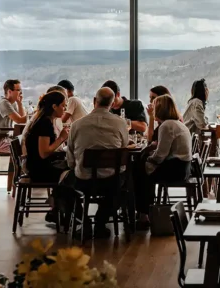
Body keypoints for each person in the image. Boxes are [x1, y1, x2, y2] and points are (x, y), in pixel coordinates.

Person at [64, 87, 129, 238]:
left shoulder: (77, 125)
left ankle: (84, 222)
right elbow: (124, 148)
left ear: (94, 101)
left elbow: (70, 159)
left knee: (64, 185)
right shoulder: (120, 124)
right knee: (123, 183)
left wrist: (76, 167)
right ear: (112, 104)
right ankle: (101, 221)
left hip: (84, 182)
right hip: (112, 181)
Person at [135, 94, 191, 227]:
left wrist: (149, 158)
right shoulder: (178, 124)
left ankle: (143, 214)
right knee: (142, 170)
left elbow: (161, 155)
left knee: (139, 172)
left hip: (174, 169)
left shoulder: (166, 125)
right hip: (184, 168)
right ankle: (144, 211)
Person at [21, 91, 69, 183]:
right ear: (54, 107)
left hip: (36, 166)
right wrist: (61, 138)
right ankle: (58, 197)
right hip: (40, 170)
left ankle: (58, 196)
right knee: (73, 173)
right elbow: (44, 153)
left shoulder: (43, 120)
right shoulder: (44, 123)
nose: (65, 109)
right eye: (63, 106)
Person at [0, 79, 28, 154]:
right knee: (22, 148)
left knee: (26, 144)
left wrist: (19, 104)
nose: (21, 93)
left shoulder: (11, 103)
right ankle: (18, 166)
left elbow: (21, 118)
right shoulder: (4, 103)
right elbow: (20, 120)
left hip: (3, 139)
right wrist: (36, 114)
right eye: (18, 90)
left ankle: (17, 165)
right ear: (10, 91)